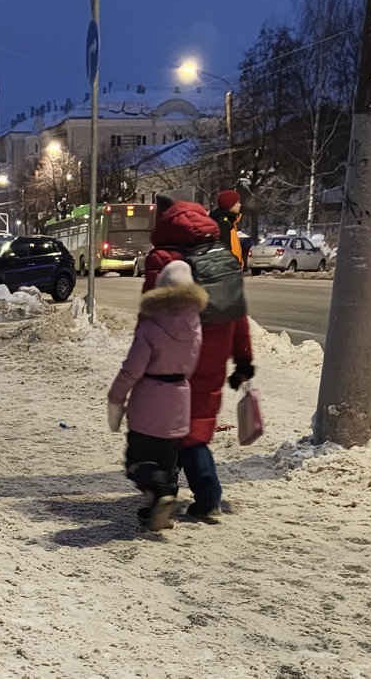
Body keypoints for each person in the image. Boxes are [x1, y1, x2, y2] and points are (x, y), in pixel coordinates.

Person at [141, 197, 253, 521]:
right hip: (213, 363)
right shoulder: (223, 258)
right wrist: (243, 359)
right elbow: (238, 314)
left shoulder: (162, 259)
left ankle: (163, 496)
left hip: (173, 360)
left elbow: (151, 314)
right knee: (195, 431)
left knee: (164, 431)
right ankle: (208, 498)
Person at [107, 260, 207, 531]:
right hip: (178, 401)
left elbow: (131, 370)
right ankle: (160, 508)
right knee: (166, 459)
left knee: (137, 462)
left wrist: (115, 397)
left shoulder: (151, 327)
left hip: (148, 404)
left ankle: (160, 491)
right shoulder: (195, 326)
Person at [210, 189, 244, 266]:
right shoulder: (224, 223)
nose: (240, 205)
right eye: (237, 202)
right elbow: (224, 249)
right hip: (228, 269)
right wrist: (234, 263)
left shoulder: (229, 221)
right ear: (230, 204)